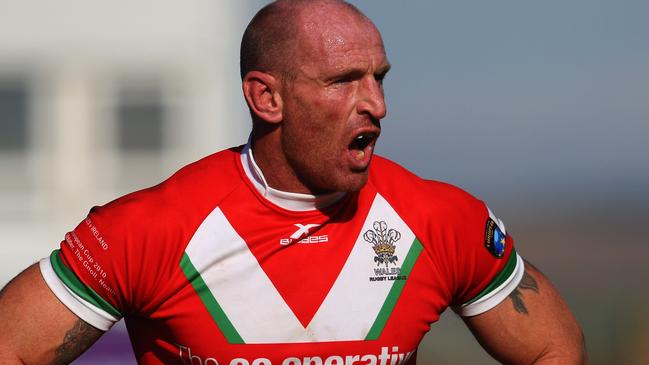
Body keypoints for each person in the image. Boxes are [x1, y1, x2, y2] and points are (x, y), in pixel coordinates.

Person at [0, 1, 587, 364]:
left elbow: (551, 347)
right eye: (343, 81)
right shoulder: (149, 229)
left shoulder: (441, 220)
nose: (376, 104)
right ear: (266, 97)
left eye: (379, 78)